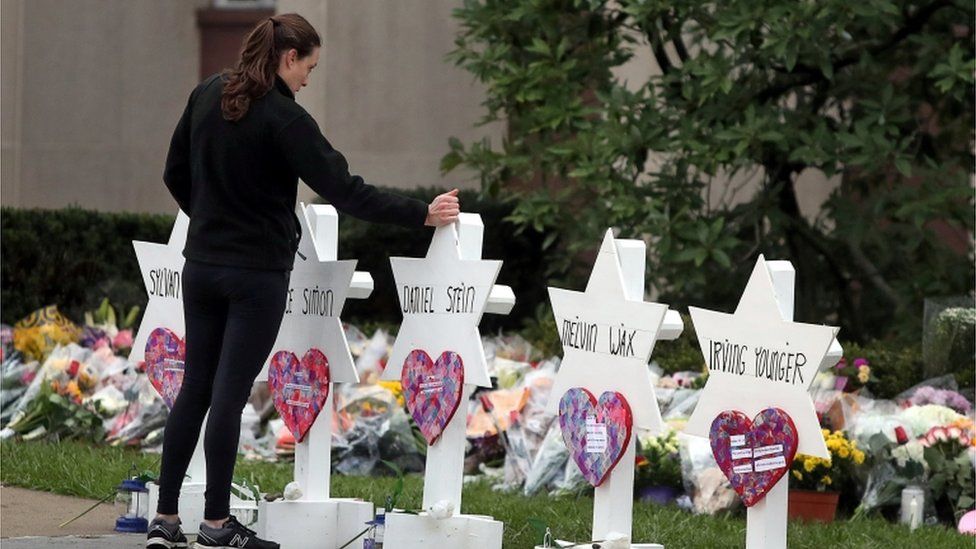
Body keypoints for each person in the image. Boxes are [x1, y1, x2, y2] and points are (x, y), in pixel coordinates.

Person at [147, 13, 459, 549]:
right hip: (256, 276)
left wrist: (210, 220)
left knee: (195, 388)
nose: (309, 80)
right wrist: (420, 215)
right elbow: (343, 189)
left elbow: (175, 172)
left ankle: (165, 519)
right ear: (288, 58)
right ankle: (217, 527)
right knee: (227, 395)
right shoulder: (284, 119)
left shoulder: (207, 94)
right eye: (309, 67)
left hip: (200, 267)